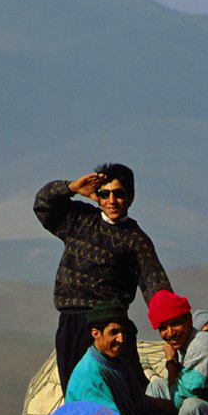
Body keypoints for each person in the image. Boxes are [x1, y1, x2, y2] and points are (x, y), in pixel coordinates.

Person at [34, 164, 171, 393]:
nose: (111, 200)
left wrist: (170, 325)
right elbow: (43, 206)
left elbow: (155, 284)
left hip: (109, 323)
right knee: (75, 390)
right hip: (70, 321)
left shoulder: (136, 240)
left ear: (130, 196)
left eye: (118, 193)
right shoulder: (79, 219)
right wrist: (71, 188)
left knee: (120, 390)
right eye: (104, 194)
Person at [64, 299, 172, 415]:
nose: (121, 339)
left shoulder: (117, 363)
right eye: (114, 332)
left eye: (123, 332)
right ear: (96, 334)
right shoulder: (89, 374)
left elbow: (140, 405)